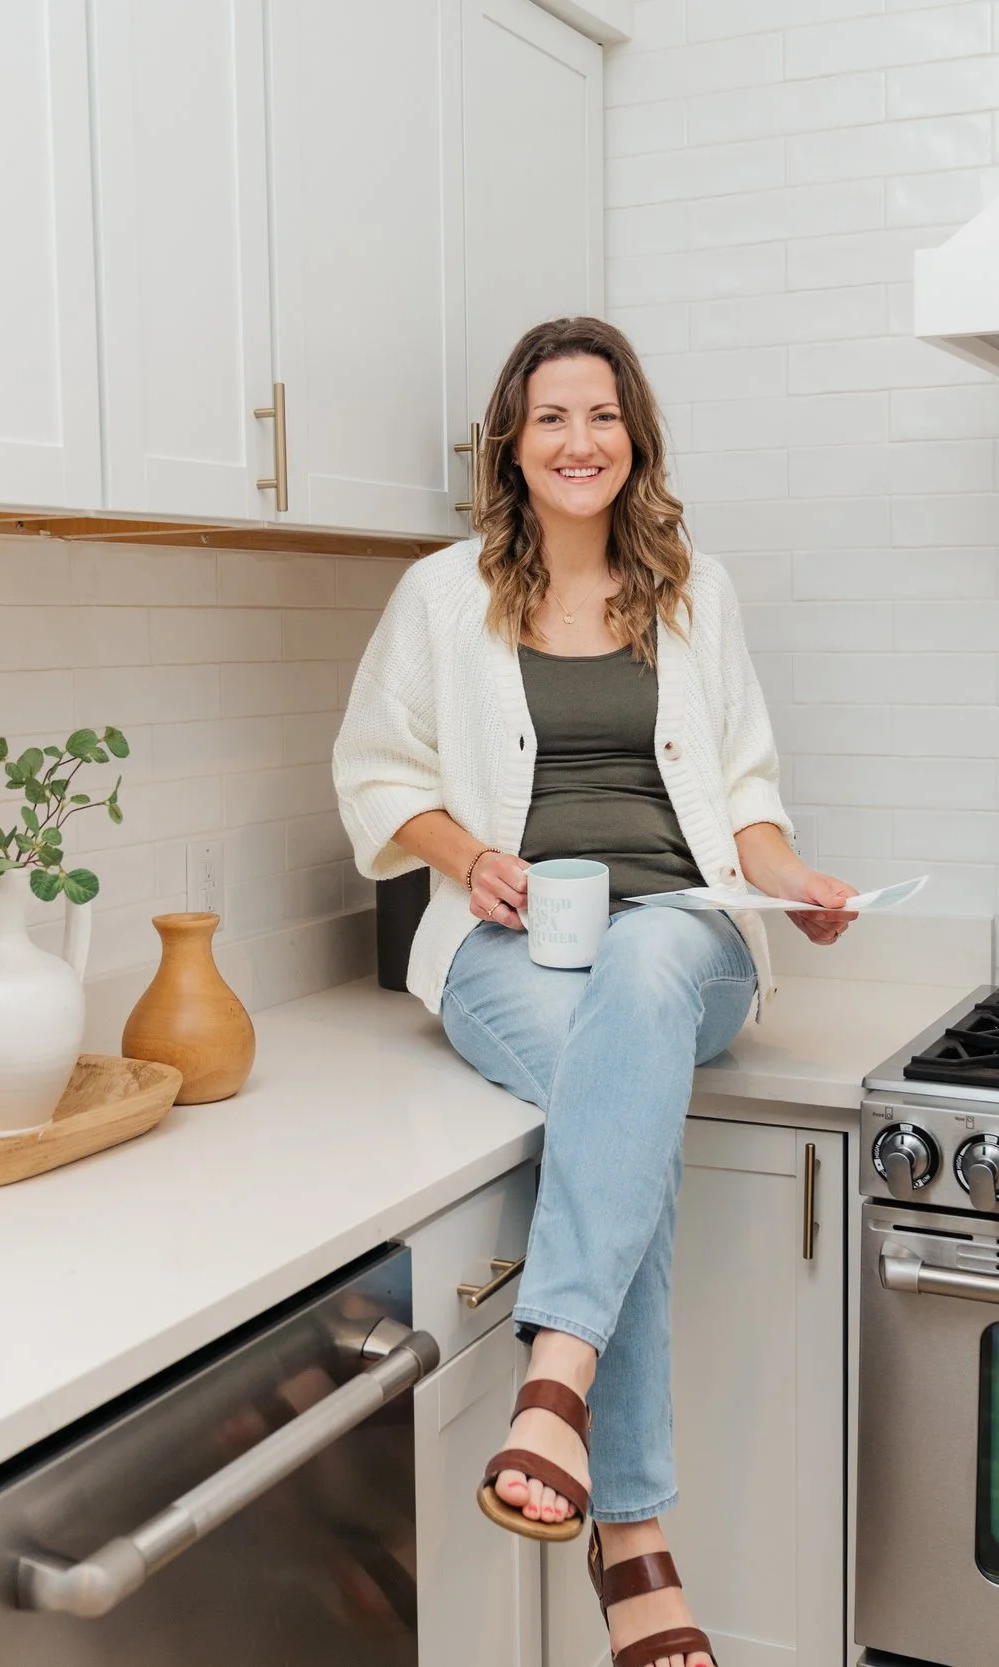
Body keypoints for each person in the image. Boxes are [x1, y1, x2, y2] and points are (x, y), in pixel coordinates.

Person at [332, 316, 856, 1667]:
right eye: (553, 416)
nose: (581, 442)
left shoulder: (696, 591)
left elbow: (744, 791)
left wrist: (795, 881)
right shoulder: (443, 595)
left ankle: (552, 1380)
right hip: (508, 952)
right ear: (513, 441)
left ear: (638, 439)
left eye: (603, 417)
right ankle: (633, 1540)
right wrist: (471, 857)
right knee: (619, 1104)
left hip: (687, 940)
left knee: (641, 966)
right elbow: (378, 771)